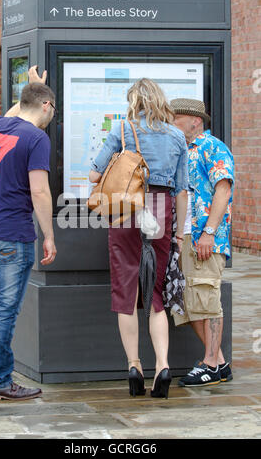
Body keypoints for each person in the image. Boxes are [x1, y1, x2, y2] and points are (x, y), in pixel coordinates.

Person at [89, 79, 189, 398]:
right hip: (161, 207)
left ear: (134, 101)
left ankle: (134, 366)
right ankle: (162, 365)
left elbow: (93, 174)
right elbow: (182, 190)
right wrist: (179, 233)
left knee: (127, 288)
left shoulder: (123, 129)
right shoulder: (177, 136)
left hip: (126, 208)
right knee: (156, 291)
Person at [0, 66, 57, 400]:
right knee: (4, 310)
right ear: (47, 107)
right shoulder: (37, 138)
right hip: (12, 236)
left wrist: (32, 87)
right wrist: (49, 235)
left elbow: (18, 112)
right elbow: (40, 192)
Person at [170, 98, 234, 387]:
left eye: (175, 119)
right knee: (188, 302)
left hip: (205, 238)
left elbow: (223, 191)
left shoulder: (214, 148)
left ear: (194, 121)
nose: (171, 123)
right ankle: (218, 363)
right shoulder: (180, 149)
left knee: (207, 299)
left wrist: (209, 231)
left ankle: (210, 363)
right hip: (184, 237)